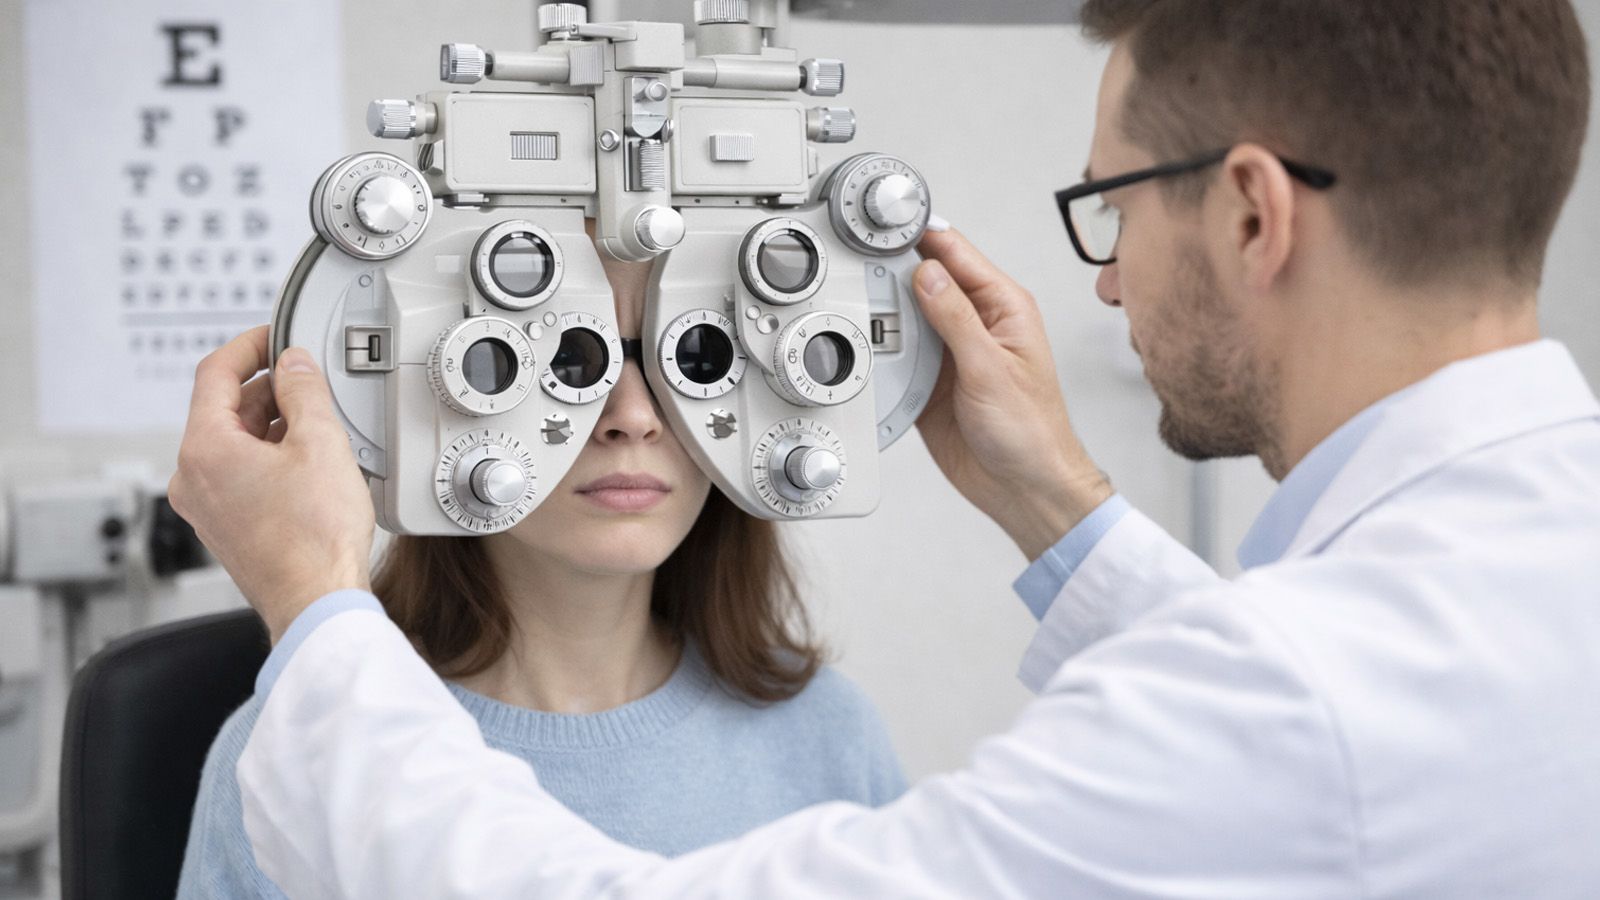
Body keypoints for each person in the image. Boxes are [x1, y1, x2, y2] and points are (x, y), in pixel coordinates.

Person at [169, 0, 1600, 895]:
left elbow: (1279, 721)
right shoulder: (1524, 575)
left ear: (1248, 215)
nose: (1105, 282)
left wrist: (313, 603)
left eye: (1112, 209)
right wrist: (1059, 503)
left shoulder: (1278, 698)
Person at [172, 231, 905, 898]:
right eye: (569, 359)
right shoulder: (300, 747)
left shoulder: (828, 732)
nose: (632, 416)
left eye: (693, 359)